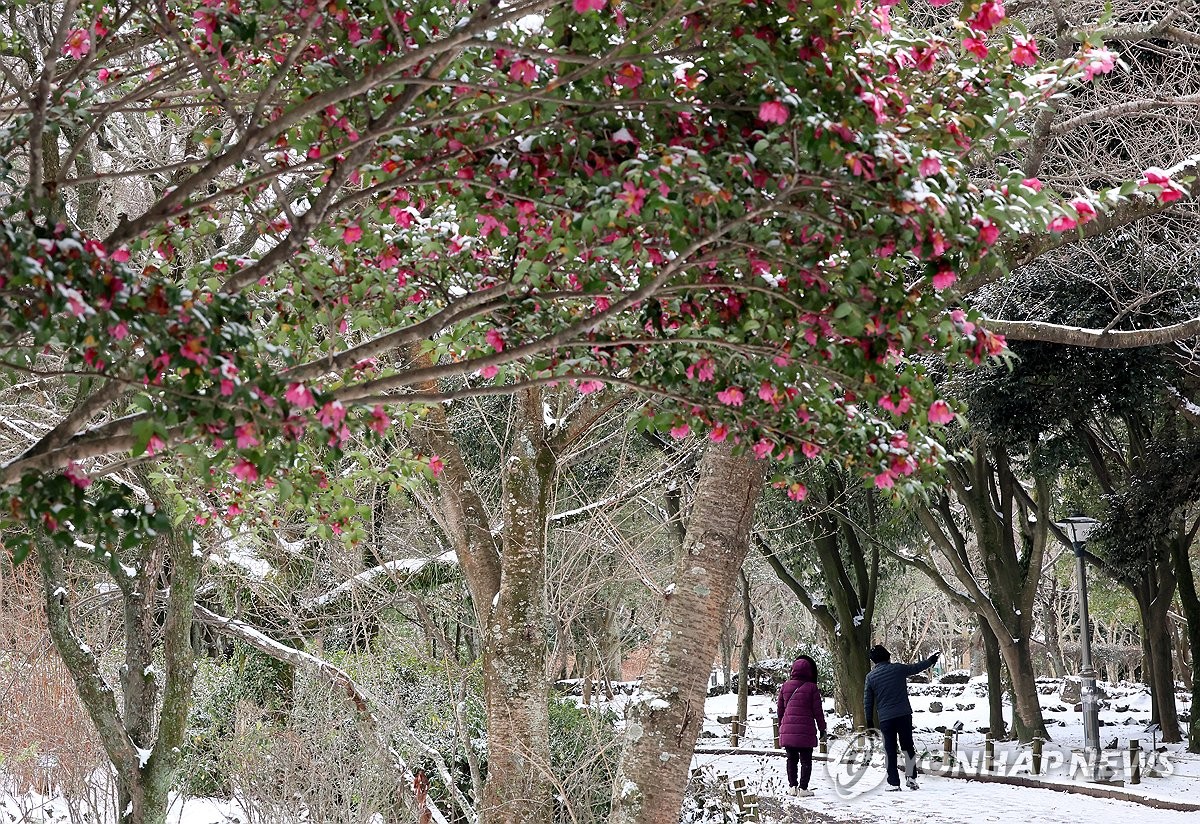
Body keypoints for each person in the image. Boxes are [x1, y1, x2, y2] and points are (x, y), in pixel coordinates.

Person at [863, 644, 939, 791]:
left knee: (890, 749)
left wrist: (869, 721)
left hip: (885, 718)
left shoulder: (870, 677)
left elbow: (868, 702)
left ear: (873, 661)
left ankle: (893, 782)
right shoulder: (898, 669)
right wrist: (930, 661)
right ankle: (911, 777)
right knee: (907, 746)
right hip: (904, 714)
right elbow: (916, 667)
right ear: (888, 656)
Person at [776, 655, 827, 797]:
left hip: (788, 730)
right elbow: (818, 712)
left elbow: (780, 710)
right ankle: (803, 788)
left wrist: (782, 727)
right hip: (805, 730)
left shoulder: (785, 686)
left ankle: (792, 786)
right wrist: (822, 728)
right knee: (806, 760)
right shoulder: (812, 688)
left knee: (791, 759)